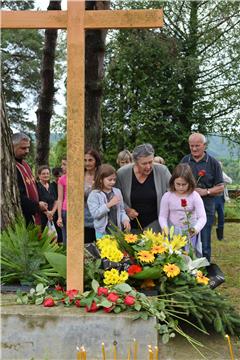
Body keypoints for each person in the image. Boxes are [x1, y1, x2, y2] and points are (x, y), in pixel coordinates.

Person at [181, 133, 224, 261]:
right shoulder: (185, 161)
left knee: (205, 243)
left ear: (204, 146)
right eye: (191, 146)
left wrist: (206, 192)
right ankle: (187, 270)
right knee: (186, 241)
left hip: (206, 208)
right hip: (186, 208)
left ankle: (205, 274)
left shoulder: (213, 163)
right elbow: (176, 181)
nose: (194, 149)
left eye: (197, 146)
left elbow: (221, 187)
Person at [116, 143, 171, 233]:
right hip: (130, 227)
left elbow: (173, 193)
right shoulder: (122, 173)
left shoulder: (162, 171)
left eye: (150, 162)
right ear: (135, 162)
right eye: (144, 163)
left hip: (155, 225)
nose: (148, 166)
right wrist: (127, 209)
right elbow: (115, 196)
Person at [159, 163, 206, 256]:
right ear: (173, 182)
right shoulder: (167, 196)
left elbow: (202, 217)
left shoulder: (194, 196)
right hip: (172, 233)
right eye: (178, 184)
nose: (180, 187)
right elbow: (162, 216)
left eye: (184, 184)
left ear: (190, 182)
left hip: (190, 232)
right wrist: (164, 227)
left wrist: (195, 229)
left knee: (190, 257)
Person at [12, 132, 48, 226]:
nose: (27, 151)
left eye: (28, 147)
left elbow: (34, 185)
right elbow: (18, 195)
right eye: (23, 148)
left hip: (35, 213)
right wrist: (36, 206)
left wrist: (41, 202)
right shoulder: (12, 168)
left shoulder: (25, 164)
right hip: (24, 216)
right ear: (12, 146)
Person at [87, 164, 131, 239]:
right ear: (101, 179)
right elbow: (95, 214)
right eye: (109, 180)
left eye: (114, 180)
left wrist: (125, 220)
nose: (113, 182)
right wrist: (109, 204)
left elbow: (121, 211)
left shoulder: (117, 192)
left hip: (117, 232)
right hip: (102, 233)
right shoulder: (94, 195)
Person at [84, 149, 101, 243]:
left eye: (90, 160)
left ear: (96, 161)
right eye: (85, 160)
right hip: (84, 219)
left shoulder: (101, 175)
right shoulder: (80, 176)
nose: (87, 163)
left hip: (100, 219)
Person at [36, 165, 58, 232]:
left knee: (54, 238)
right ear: (39, 175)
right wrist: (47, 213)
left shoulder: (52, 186)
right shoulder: (37, 186)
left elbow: (56, 201)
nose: (46, 175)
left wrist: (52, 212)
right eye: (43, 174)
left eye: (47, 173)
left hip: (53, 216)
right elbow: (37, 201)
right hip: (42, 217)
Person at [214, 162, 232, 240]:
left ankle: (220, 237)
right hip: (212, 198)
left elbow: (230, 181)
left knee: (221, 217)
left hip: (221, 198)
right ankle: (205, 236)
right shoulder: (211, 174)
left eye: (220, 167)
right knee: (209, 217)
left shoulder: (221, 174)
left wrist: (221, 173)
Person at [51, 167, 63, 243]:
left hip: (63, 210)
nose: (58, 178)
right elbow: (56, 200)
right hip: (55, 212)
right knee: (57, 232)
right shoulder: (52, 186)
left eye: (60, 176)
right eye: (57, 176)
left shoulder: (64, 184)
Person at [57, 157, 67, 245]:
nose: (62, 166)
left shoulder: (80, 177)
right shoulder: (61, 179)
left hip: (78, 212)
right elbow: (59, 199)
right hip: (65, 211)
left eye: (64, 164)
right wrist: (59, 217)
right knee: (66, 239)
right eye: (62, 164)